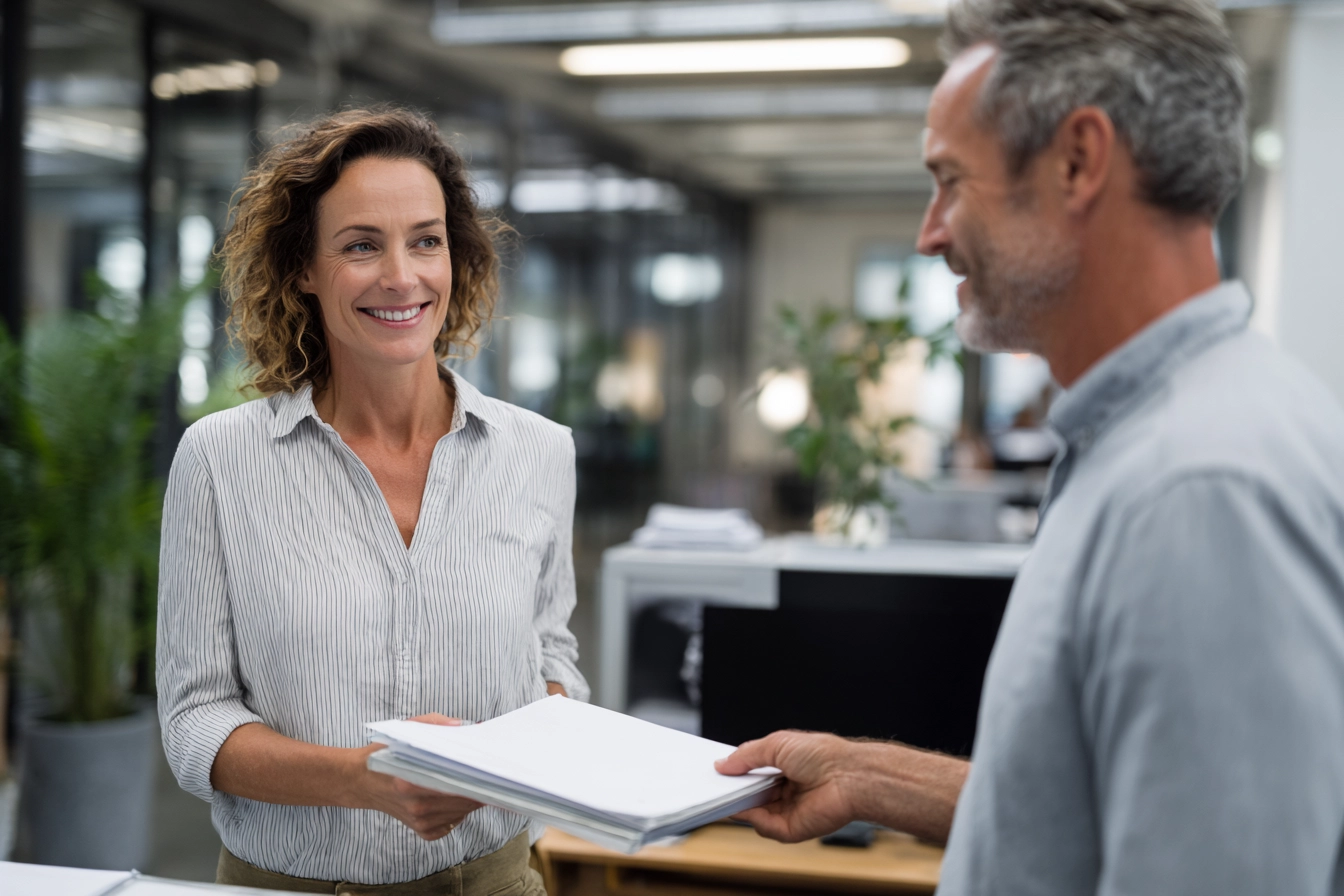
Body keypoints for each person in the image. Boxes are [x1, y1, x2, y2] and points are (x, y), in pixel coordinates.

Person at [716, 1, 1344, 892]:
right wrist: (873, 777)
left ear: (1078, 162)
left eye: (951, 180)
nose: (931, 233)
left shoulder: (1200, 491)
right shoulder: (1151, 442)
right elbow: (1102, 807)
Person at [156, 107, 586, 895]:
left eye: (426, 240)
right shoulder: (220, 461)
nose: (401, 276)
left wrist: (525, 743)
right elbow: (194, 723)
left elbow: (551, 660)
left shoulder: (538, 453)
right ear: (303, 269)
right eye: (361, 245)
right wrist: (364, 778)